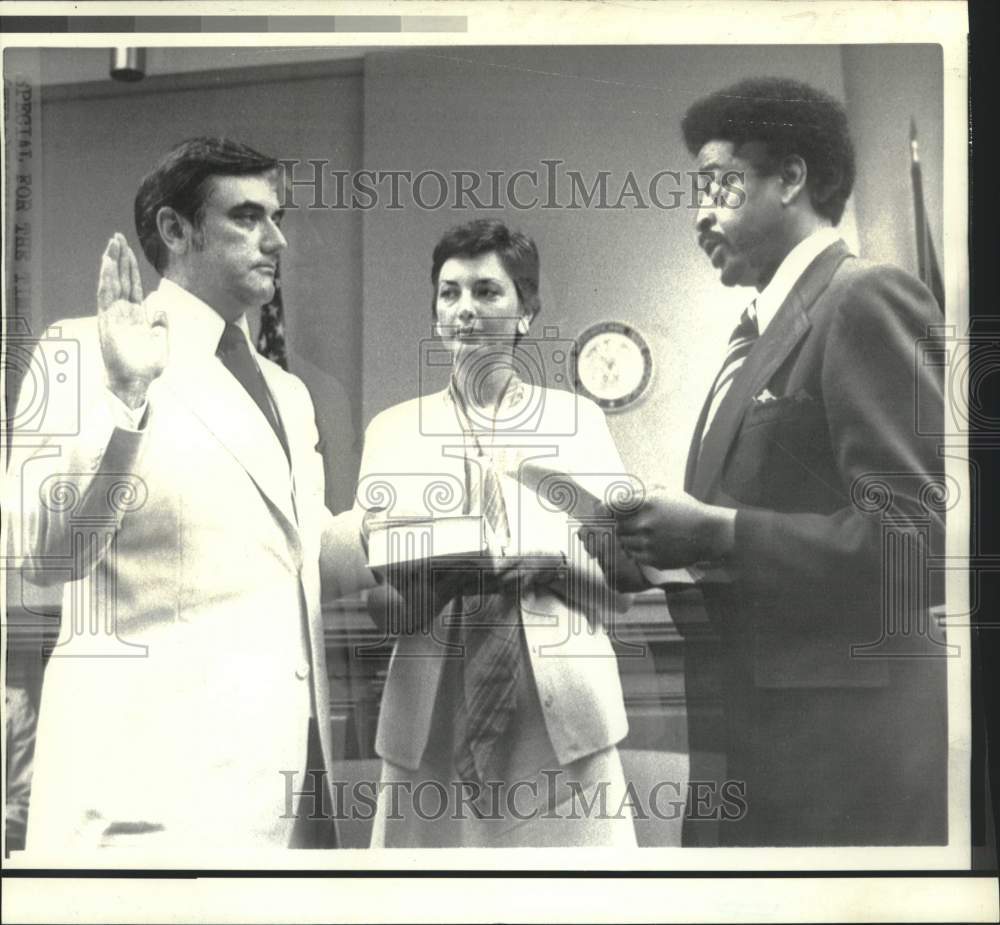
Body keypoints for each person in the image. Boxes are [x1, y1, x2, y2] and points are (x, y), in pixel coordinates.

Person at [5, 137, 373, 853]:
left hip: (283, 781)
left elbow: (298, 554)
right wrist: (127, 398)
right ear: (175, 231)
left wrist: (420, 525)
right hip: (149, 792)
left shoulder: (289, 392)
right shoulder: (80, 348)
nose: (277, 239)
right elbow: (43, 554)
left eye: (278, 216)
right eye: (247, 217)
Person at [614, 77, 948, 846]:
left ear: (792, 177)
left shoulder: (863, 298)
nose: (699, 213)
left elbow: (918, 547)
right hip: (762, 742)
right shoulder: (756, 334)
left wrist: (716, 532)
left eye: (717, 185)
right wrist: (649, 550)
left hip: (843, 763)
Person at [357, 219, 643, 847]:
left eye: (487, 291)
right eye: (449, 292)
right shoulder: (393, 431)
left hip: (561, 717)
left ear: (526, 312)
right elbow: (381, 606)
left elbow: (620, 591)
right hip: (433, 711)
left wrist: (553, 567)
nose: (465, 310)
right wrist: (432, 580)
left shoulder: (577, 422)